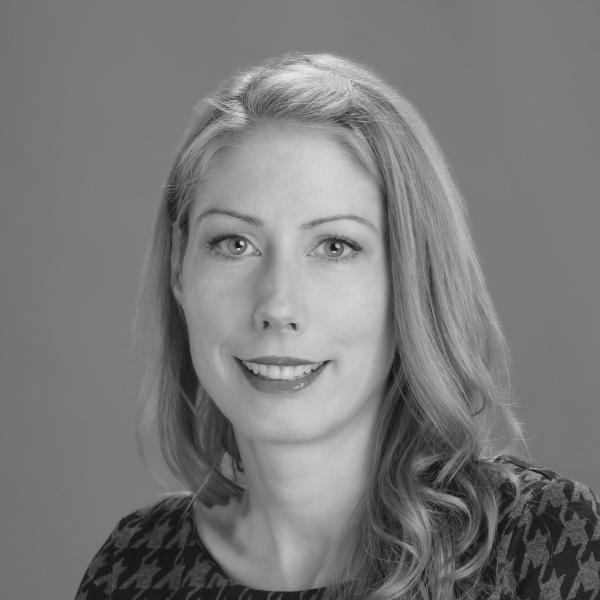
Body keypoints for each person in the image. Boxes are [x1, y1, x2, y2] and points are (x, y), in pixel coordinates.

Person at [75, 53, 600, 600]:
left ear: (411, 280)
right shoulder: (130, 569)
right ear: (179, 269)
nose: (278, 306)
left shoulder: (541, 545)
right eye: (235, 244)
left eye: (334, 246)